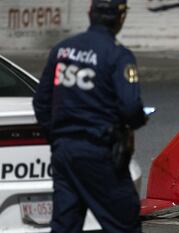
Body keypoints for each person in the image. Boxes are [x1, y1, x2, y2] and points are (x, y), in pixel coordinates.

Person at [33, 0, 146, 232]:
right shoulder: (118, 55)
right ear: (121, 17)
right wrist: (138, 121)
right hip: (99, 152)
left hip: (64, 153)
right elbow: (130, 109)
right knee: (124, 223)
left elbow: (41, 102)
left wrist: (57, 138)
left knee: (65, 225)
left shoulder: (62, 50)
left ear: (89, 13)